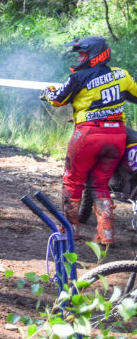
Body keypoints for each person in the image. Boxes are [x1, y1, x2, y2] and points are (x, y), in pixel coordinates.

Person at [41, 36, 137, 246]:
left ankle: (69, 230)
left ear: (95, 54)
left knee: (73, 181)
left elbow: (58, 99)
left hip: (88, 135)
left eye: (82, 54)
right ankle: (107, 234)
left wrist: (47, 93)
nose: (80, 58)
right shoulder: (122, 74)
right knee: (101, 184)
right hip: (117, 135)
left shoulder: (79, 77)